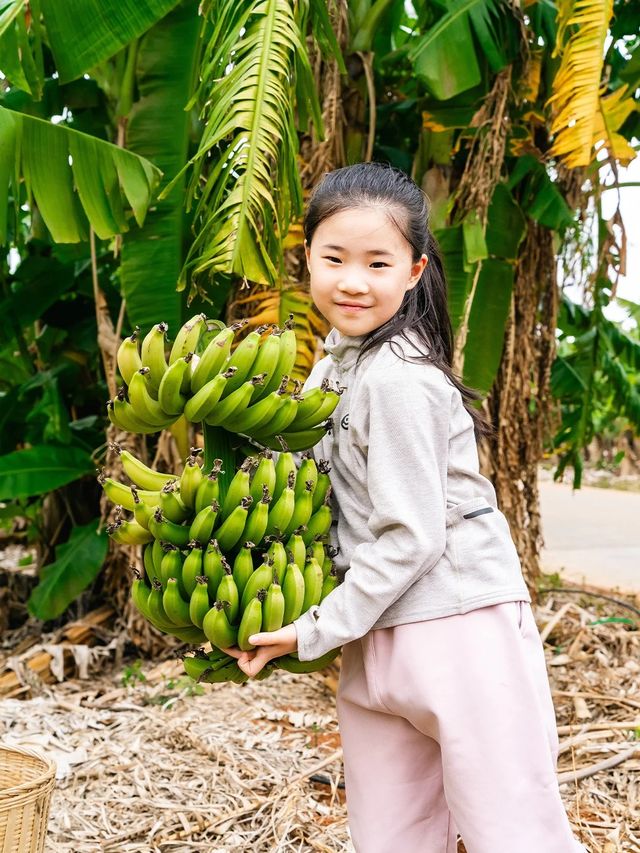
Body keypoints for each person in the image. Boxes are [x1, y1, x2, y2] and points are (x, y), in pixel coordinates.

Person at [224, 163, 587, 853]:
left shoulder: (399, 378)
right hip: (376, 631)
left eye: (377, 262)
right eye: (333, 258)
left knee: (514, 834)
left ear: (414, 270)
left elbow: (412, 535)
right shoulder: (331, 367)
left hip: (458, 625)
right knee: (391, 837)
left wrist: (311, 629)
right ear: (306, 259)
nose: (353, 280)